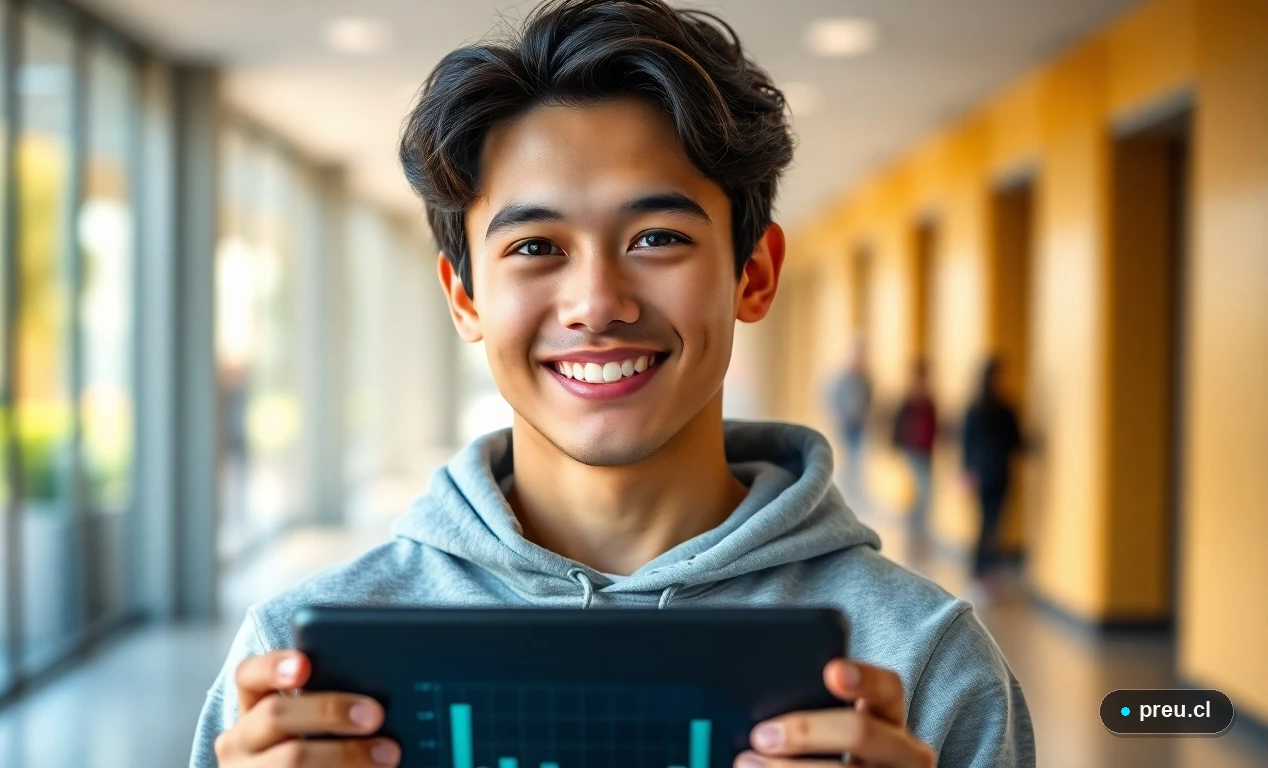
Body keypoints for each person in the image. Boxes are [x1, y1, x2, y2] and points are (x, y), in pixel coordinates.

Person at [192, 2, 1033, 767]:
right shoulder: (296, 683)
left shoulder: (924, 663)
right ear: (464, 296)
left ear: (754, 274)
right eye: (534, 247)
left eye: (658, 236)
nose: (597, 304)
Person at [961, 357, 1024, 598]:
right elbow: (967, 444)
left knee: (996, 526)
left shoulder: (1007, 409)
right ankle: (979, 573)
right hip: (983, 476)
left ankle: (989, 575)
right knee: (985, 525)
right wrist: (967, 473)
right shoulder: (977, 409)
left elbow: (1016, 442)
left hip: (1001, 476)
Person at [892, 358, 937, 539]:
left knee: (925, 493)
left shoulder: (929, 400)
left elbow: (934, 425)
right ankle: (914, 531)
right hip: (913, 451)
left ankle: (919, 531)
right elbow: (900, 425)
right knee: (923, 492)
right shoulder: (910, 400)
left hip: (926, 452)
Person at [828, 338, 873, 478]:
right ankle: (848, 477)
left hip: (859, 423)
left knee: (857, 454)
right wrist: (841, 415)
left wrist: (865, 414)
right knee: (848, 453)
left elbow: (869, 399)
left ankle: (853, 478)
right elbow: (834, 398)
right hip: (846, 422)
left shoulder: (866, 379)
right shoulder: (843, 378)